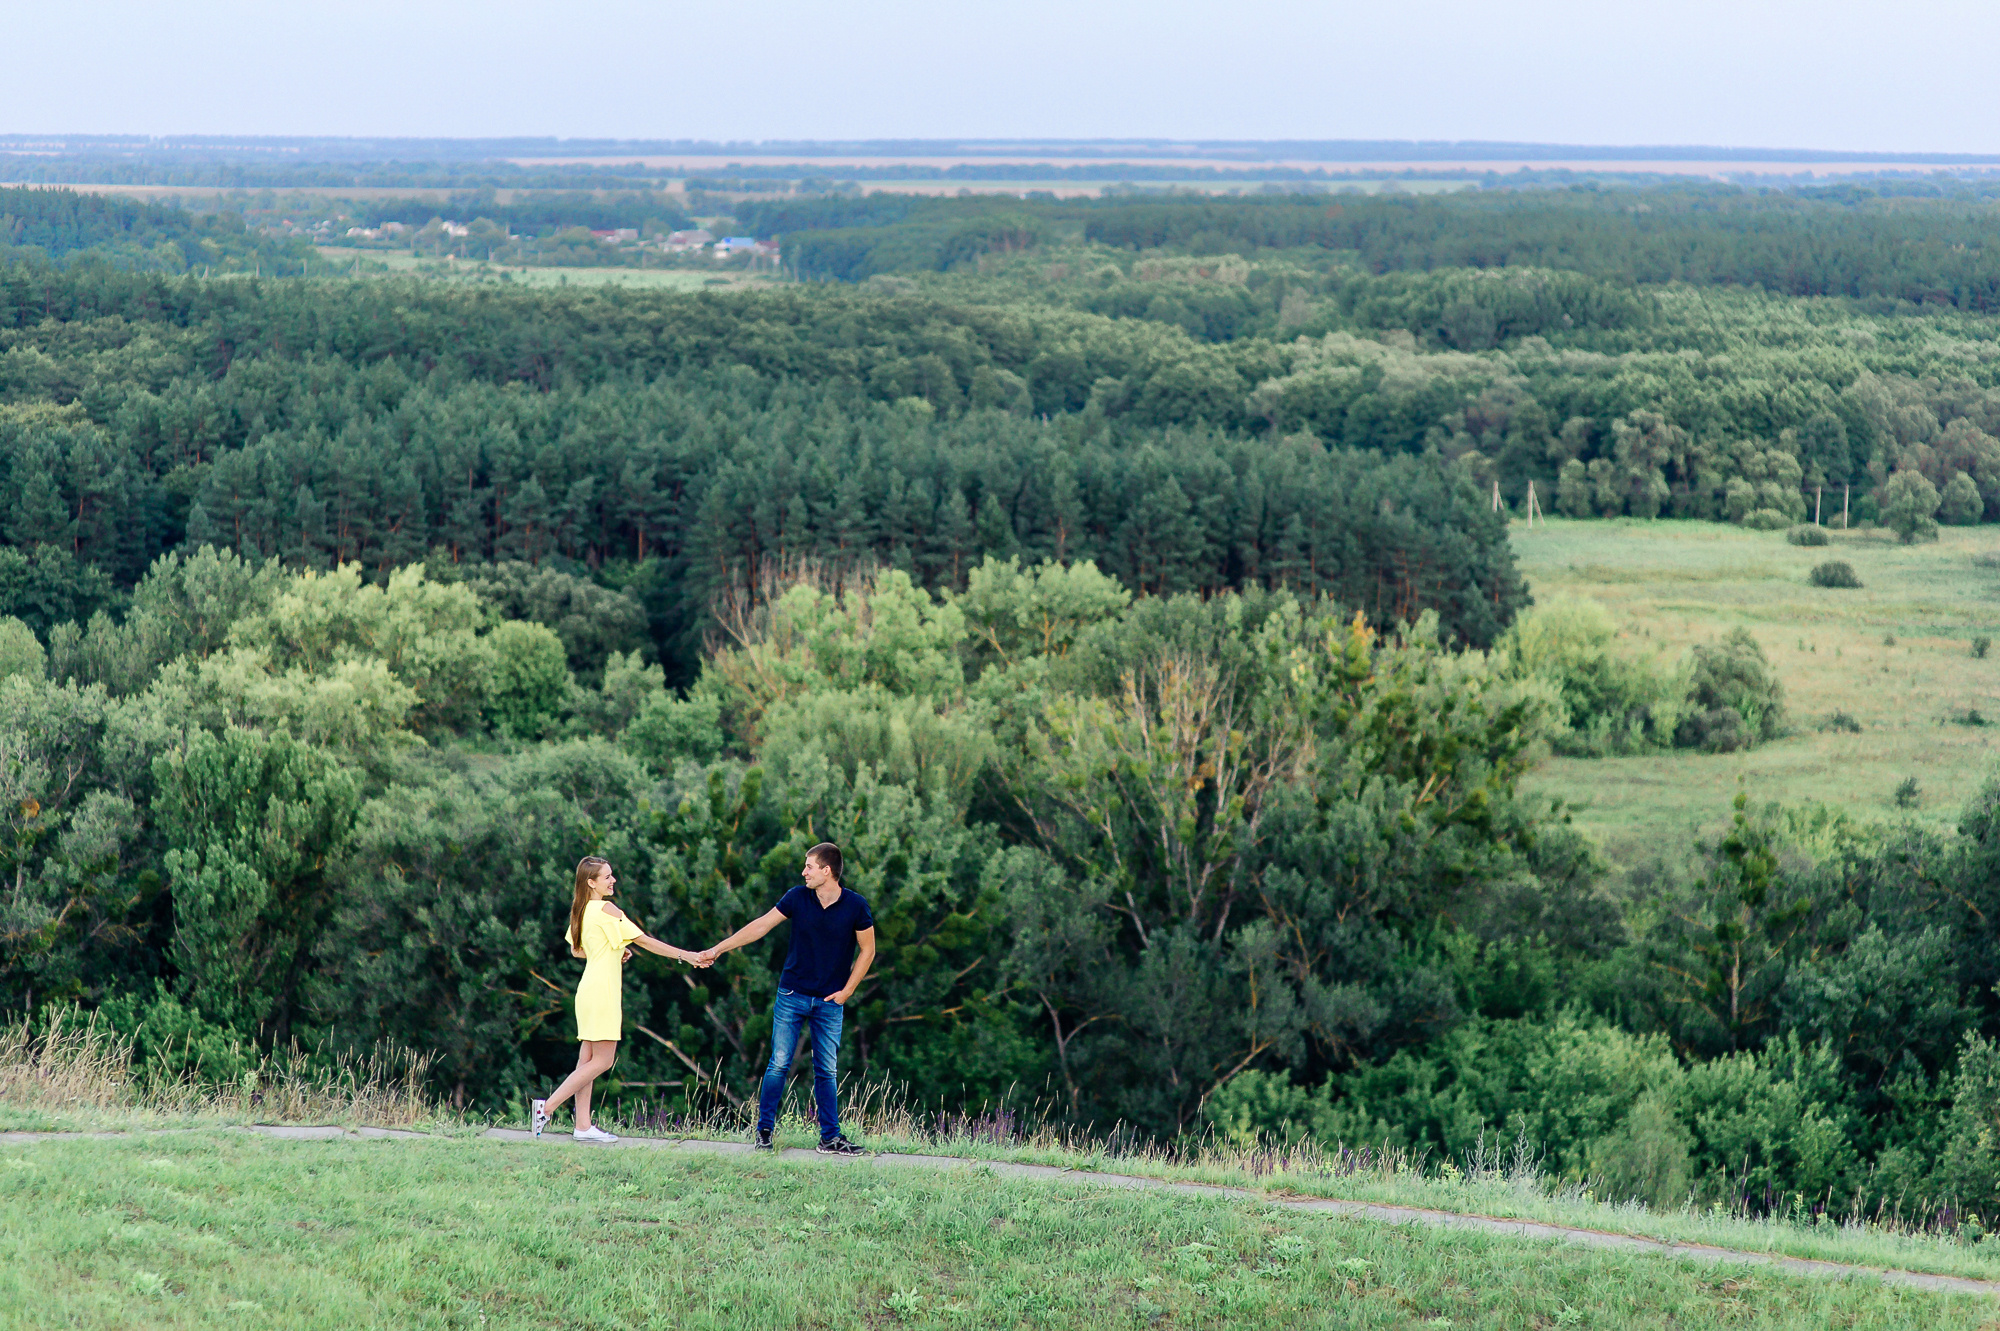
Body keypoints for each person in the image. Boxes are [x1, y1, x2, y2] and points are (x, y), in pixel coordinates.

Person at [700, 842, 876, 1154]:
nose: (803, 871)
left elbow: (868, 950)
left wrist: (848, 991)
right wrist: (717, 949)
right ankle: (764, 1132)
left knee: (826, 1069)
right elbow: (761, 926)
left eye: (809, 866)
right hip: (791, 995)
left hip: (830, 1002)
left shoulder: (856, 906)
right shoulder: (797, 897)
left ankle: (830, 1138)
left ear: (827, 870)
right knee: (779, 1063)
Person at [533, 855, 706, 1144]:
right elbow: (644, 941)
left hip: (588, 989)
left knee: (586, 1060)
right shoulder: (607, 909)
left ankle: (583, 1126)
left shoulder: (582, 910)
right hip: (602, 992)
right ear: (591, 882)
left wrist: (611, 952)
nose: (613, 881)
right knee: (602, 1060)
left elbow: (578, 950)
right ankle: (547, 1107)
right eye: (607, 877)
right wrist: (685, 955)